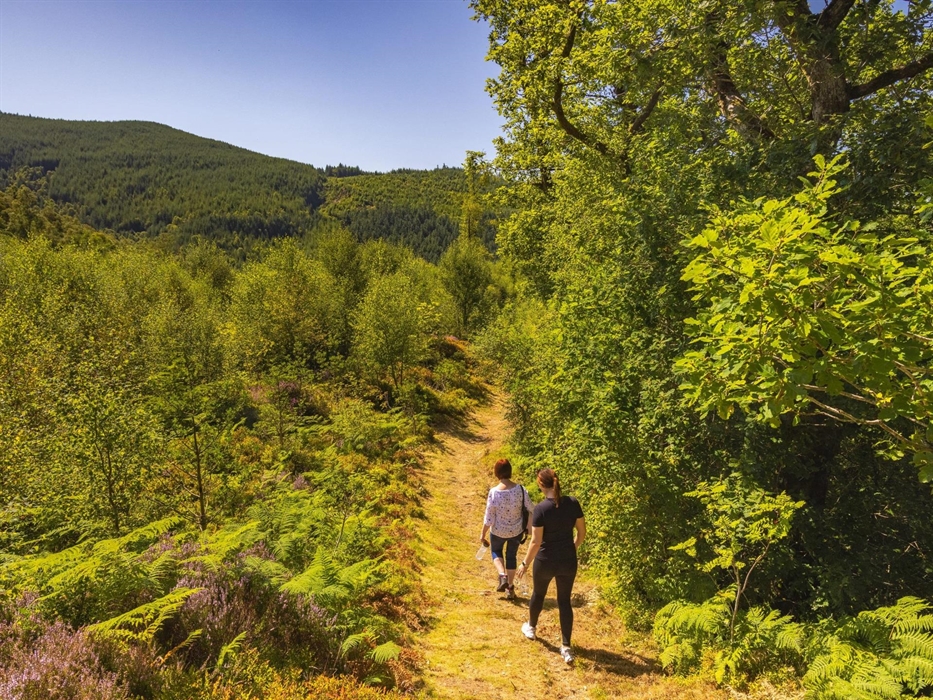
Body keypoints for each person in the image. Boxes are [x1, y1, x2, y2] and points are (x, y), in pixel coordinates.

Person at [516, 468, 585, 664]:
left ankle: (531, 627)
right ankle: (566, 646)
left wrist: (524, 563)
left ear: (541, 485)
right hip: (567, 561)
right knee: (564, 601)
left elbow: (536, 542)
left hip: (545, 560)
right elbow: (581, 533)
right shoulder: (572, 503)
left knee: (538, 593)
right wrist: (572, 548)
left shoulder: (540, 509)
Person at [480, 458, 533, 600]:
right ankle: (510, 589)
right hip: (516, 531)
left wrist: (483, 534)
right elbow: (530, 509)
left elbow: (489, 517)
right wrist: (530, 528)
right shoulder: (521, 490)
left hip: (497, 531)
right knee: (511, 557)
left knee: (496, 551)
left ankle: (502, 575)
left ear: (496, 473)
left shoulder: (494, 492)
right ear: (510, 471)